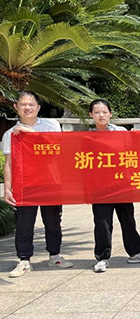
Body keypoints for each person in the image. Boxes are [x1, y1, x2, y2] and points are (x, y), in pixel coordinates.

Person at [2, 91, 73, 278]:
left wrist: (31, 133)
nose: (27, 108)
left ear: (38, 107)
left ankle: (55, 255)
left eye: (31, 104)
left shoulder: (51, 125)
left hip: (50, 183)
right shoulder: (10, 134)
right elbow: (9, 163)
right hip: (25, 186)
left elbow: (58, 147)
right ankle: (24, 260)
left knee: (53, 222)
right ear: (16, 107)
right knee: (24, 224)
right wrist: (7, 188)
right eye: (23, 104)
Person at [88, 99, 140, 273]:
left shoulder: (121, 132)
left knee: (128, 219)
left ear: (110, 114)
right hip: (100, 187)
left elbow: (133, 153)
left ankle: (136, 252)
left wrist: (135, 138)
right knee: (102, 223)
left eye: (104, 112)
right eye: (97, 112)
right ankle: (102, 258)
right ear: (91, 115)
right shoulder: (86, 137)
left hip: (122, 183)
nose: (101, 115)